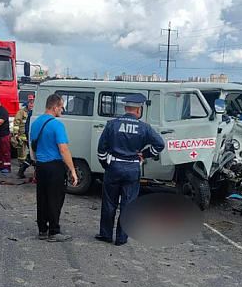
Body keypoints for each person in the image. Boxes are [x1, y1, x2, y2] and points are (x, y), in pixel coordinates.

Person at [95, 94, 165, 246]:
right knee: (128, 203)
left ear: (125, 108)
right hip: (133, 168)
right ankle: (121, 238)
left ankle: (106, 234)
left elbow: (101, 149)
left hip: (113, 167)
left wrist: (106, 165)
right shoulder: (144, 127)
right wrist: (145, 154)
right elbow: (160, 145)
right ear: (139, 110)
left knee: (109, 202)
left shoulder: (112, 124)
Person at [30, 94, 78, 242]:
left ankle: (42, 230)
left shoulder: (36, 122)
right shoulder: (57, 125)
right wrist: (73, 170)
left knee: (42, 197)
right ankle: (54, 231)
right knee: (55, 199)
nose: (62, 111)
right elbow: (63, 149)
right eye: (61, 107)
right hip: (54, 166)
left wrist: (37, 162)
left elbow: (33, 146)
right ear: (55, 107)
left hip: (41, 165)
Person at [12, 95, 34, 178]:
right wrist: (15, 133)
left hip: (29, 135)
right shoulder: (21, 112)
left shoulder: (33, 112)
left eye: (33, 104)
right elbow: (16, 122)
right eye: (30, 104)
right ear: (28, 104)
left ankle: (22, 167)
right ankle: (21, 164)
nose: (32, 106)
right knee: (22, 152)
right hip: (22, 134)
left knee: (28, 153)